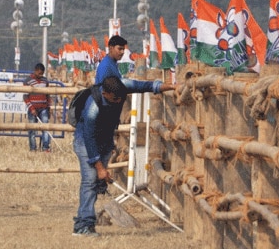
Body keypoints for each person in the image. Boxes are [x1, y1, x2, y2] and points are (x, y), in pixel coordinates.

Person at [72, 75, 175, 237]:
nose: (119, 101)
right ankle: (82, 226)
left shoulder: (121, 87)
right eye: (115, 99)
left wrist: (167, 86)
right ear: (105, 94)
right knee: (90, 180)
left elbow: (143, 86)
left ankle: (88, 215)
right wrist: (99, 167)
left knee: (97, 183)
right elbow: (89, 139)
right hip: (86, 143)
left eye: (121, 97)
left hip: (105, 140)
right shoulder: (93, 108)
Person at [23, 63, 52, 152]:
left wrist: (48, 107)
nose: (40, 76)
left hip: (43, 108)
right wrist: (31, 108)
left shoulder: (45, 81)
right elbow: (25, 96)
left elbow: (47, 95)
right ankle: (33, 148)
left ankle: (45, 147)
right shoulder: (28, 81)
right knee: (32, 130)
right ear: (35, 71)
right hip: (33, 109)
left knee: (45, 127)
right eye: (39, 73)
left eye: (42, 74)